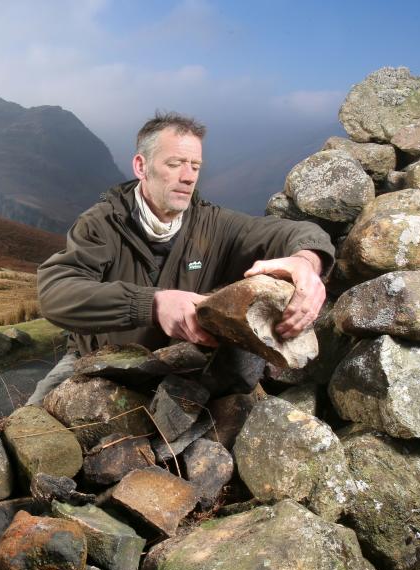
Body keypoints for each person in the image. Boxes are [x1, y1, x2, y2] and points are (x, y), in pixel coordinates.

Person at [26, 111, 334, 404]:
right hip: (95, 362)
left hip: (178, 368)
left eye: (195, 166)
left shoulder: (213, 224)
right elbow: (55, 293)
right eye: (175, 163)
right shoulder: (101, 224)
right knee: (30, 434)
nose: (188, 177)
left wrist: (307, 261)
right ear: (140, 166)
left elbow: (289, 232)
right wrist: (154, 304)